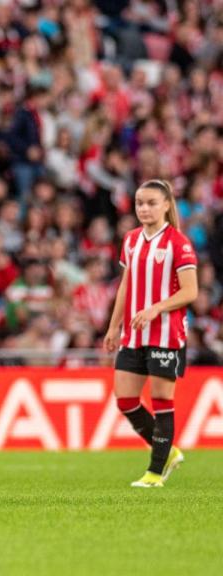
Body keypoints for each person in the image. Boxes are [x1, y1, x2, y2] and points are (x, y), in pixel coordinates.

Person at [104, 179, 197, 488]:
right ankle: (168, 452)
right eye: (139, 203)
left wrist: (157, 308)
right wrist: (114, 326)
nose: (144, 209)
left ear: (167, 205)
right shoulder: (131, 239)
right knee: (125, 400)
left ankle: (155, 473)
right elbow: (126, 285)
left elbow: (191, 291)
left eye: (151, 203)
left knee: (161, 399)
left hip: (166, 335)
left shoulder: (178, 243)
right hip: (134, 334)